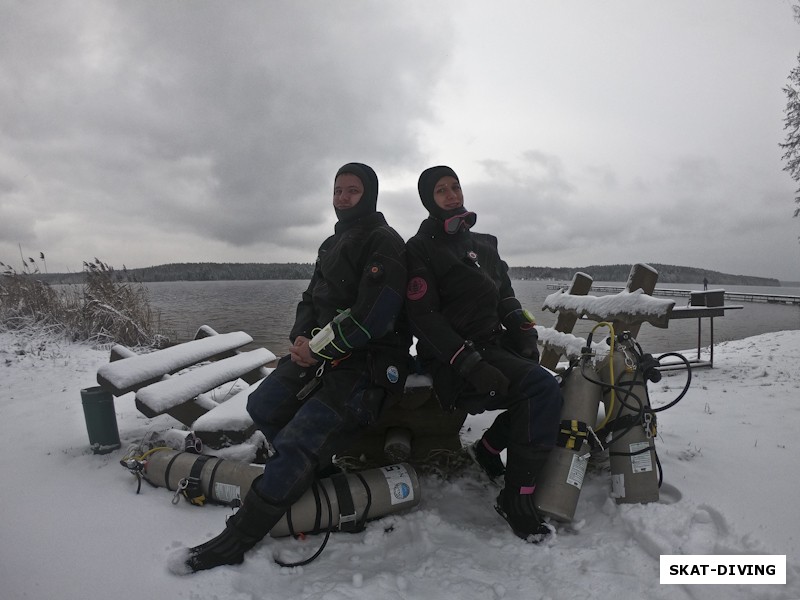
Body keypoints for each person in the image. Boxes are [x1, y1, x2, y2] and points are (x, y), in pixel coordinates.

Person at [175, 163, 410, 573]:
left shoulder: (383, 242)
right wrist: (301, 340)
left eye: (352, 190)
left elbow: (373, 316)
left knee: (300, 438)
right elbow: (309, 299)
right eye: (338, 190)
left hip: (368, 364)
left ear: (369, 194)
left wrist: (321, 350)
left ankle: (239, 536)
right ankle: (314, 472)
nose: (342, 197)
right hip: (321, 356)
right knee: (264, 405)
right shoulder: (330, 245)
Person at [404, 165, 562, 542]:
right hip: (452, 358)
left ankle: (489, 451)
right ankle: (516, 498)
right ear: (429, 200)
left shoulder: (485, 245)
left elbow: (505, 294)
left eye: (455, 186)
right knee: (542, 390)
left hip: (494, 345)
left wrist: (523, 328)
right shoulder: (421, 248)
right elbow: (422, 318)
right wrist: (466, 361)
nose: (451, 194)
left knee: (549, 387)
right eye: (441, 190)